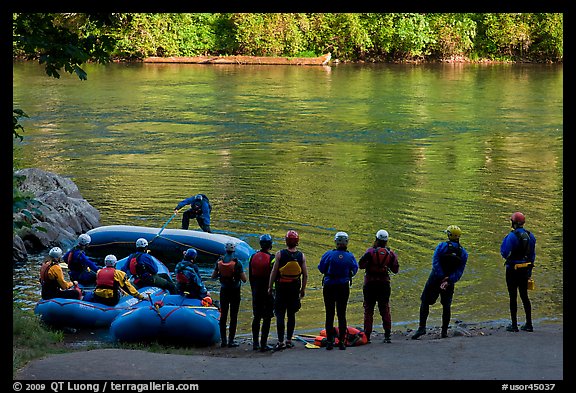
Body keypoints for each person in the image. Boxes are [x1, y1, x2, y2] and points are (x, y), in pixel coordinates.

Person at [412, 225, 468, 340]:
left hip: (435, 278)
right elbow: (459, 271)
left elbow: (435, 262)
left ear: (449, 235)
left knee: (425, 301)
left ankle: (422, 328)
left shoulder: (441, 246)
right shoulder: (463, 253)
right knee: (446, 305)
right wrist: (449, 279)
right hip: (449, 281)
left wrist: (441, 276)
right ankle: (444, 332)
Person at [318, 231, 358, 350]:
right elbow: (354, 270)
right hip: (343, 287)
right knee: (342, 314)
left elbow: (321, 268)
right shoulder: (350, 256)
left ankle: (330, 341)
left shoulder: (329, 255)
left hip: (329, 286)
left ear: (336, 241)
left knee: (329, 314)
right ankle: (341, 341)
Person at [268, 230, 308, 351]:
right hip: (294, 288)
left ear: (286, 241)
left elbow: (274, 272)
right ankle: (289, 340)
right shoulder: (301, 256)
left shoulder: (279, 254)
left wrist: (270, 287)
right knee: (291, 314)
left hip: (281, 288)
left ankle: (281, 341)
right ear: (297, 242)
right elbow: (305, 275)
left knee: (280, 314)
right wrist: (303, 289)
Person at [358, 229, 400, 343]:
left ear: (376, 239)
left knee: (368, 309)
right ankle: (387, 335)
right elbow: (395, 269)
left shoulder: (370, 252)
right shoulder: (390, 253)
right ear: (386, 241)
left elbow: (361, 265)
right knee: (385, 308)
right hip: (384, 284)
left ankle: (367, 335)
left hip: (370, 284)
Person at [500, 211, 537, 332]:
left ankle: (514, 325)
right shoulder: (531, 236)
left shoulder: (511, 236)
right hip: (525, 270)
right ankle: (529, 324)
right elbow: (532, 256)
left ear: (514, 223)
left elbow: (504, 253)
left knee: (513, 296)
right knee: (524, 296)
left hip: (512, 270)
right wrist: (529, 272)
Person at [211, 241, 247, 347]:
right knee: (233, 316)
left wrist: (221, 275)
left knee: (223, 315)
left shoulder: (219, 261)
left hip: (224, 291)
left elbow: (213, 276)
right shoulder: (237, 262)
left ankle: (223, 341)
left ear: (225, 249)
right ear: (234, 250)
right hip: (235, 291)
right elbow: (244, 279)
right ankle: (231, 341)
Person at [248, 234, 276, 351]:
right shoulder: (272, 258)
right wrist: (273, 290)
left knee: (256, 316)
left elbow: (250, 275)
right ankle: (263, 344)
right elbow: (274, 275)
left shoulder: (252, 256)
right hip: (267, 291)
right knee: (267, 317)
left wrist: (253, 288)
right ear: (270, 245)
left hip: (256, 289)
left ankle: (255, 343)